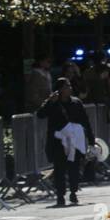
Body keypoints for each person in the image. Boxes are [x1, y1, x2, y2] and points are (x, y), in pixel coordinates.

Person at [35, 77, 95, 207]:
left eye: (69, 86)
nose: (70, 88)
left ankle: (73, 191)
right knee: (59, 169)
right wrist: (49, 102)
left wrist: (91, 139)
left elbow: (85, 121)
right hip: (58, 141)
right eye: (66, 86)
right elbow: (40, 114)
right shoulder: (53, 103)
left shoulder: (76, 103)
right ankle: (60, 195)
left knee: (74, 167)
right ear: (60, 89)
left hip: (74, 140)